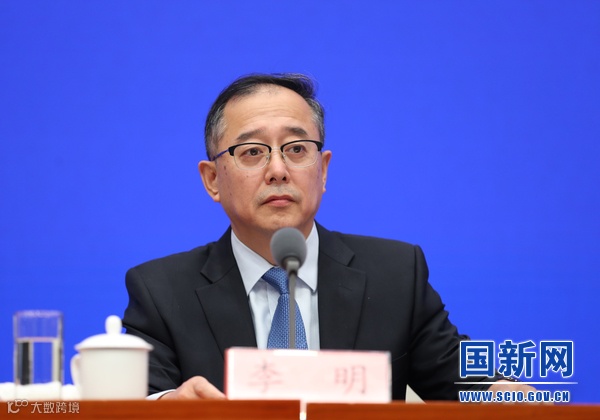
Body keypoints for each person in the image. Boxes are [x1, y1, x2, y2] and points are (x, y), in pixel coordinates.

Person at [122, 73, 531, 401]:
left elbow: (468, 382)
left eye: (297, 149)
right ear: (212, 179)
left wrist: (508, 396)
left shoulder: (395, 276)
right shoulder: (161, 292)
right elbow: (140, 400)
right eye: (253, 151)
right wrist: (169, 406)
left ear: (323, 170)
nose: (278, 170)